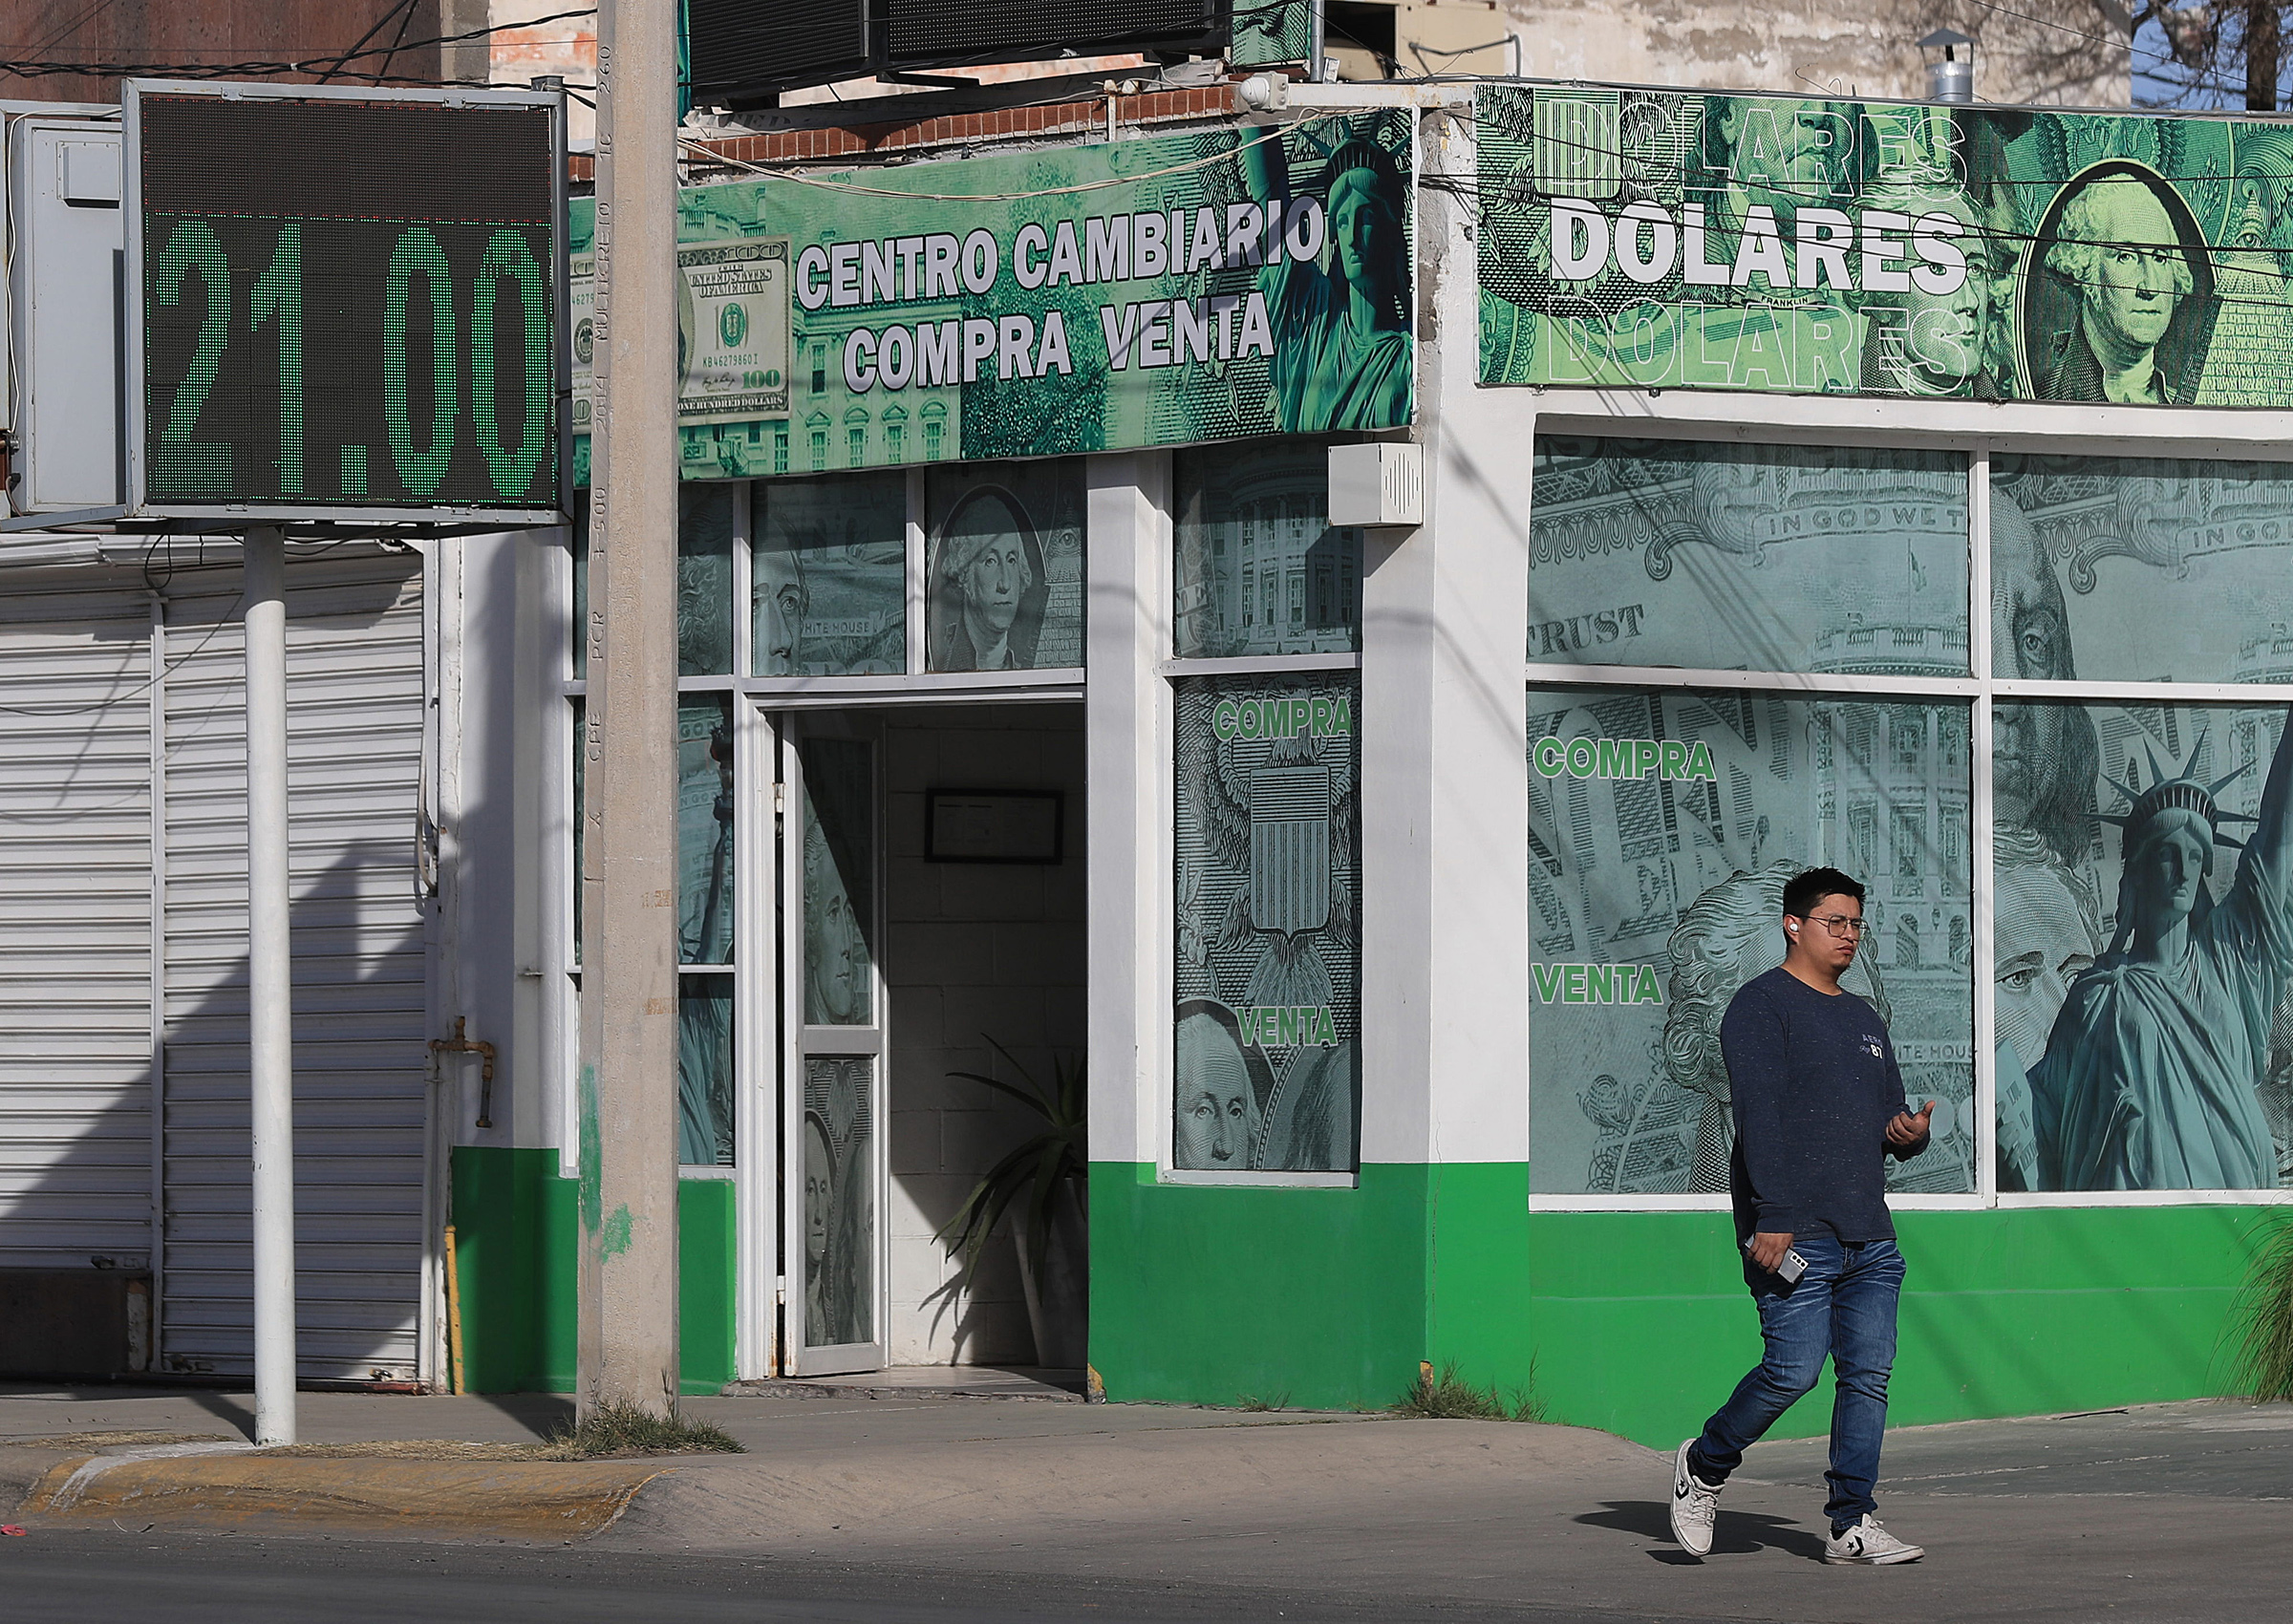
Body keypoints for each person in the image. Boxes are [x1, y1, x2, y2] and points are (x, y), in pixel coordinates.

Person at [1669, 866, 1934, 1567]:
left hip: (1868, 1236)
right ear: (1794, 924)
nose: (1849, 936)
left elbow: (1885, 1117)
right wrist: (1774, 1214)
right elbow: (1759, 1118)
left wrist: (1907, 1135)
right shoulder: (1760, 1007)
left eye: (1856, 924)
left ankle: (1852, 1522)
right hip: (1794, 1234)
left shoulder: (1863, 1016)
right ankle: (1704, 1465)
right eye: (1834, 923)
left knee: (1868, 1377)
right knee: (1792, 1372)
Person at [2027, 720, 2293, 1191]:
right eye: (2168, 854)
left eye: (2196, 857)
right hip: (2132, 1230)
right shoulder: (2097, 998)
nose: (2184, 871)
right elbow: (2043, 1112)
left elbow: (2275, 846)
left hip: (2232, 1214)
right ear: (2139, 871)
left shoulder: (2226, 964)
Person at [1239, 126, 1412, 434]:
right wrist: (1255, 98)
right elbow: (1274, 212)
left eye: (1367, 218)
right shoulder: (1316, 328)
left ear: (1390, 231)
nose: (1352, 236)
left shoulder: (1410, 352)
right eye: (1342, 222)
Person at [2038, 177, 2197, 406]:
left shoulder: (2186, 406)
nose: (2150, 287)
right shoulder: (2042, 398)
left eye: (2160, 258)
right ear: (2084, 269)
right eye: (2126, 257)